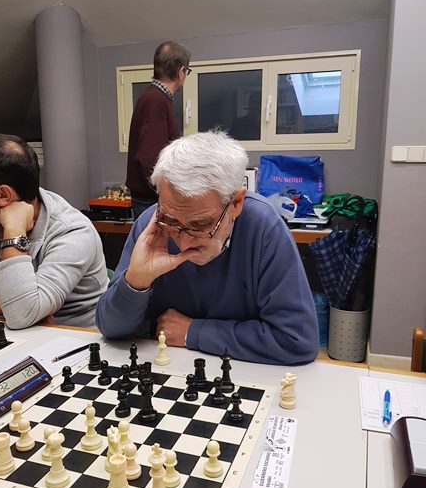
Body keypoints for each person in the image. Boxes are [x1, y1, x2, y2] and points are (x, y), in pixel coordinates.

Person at [96, 131, 318, 365]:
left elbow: (297, 340)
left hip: (240, 372)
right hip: (166, 368)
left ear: (236, 203)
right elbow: (110, 329)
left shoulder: (264, 228)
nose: (184, 243)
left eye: (200, 225)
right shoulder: (151, 227)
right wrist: (137, 281)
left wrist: (193, 332)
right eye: (172, 220)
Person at [0, 133, 108, 329]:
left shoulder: (73, 232)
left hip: (77, 340)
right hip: (16, 334)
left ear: (3, 195)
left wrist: (14, 231)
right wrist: (2, 304)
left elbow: (21, 314)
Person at [126, 40, 191, 219]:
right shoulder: (155, 101)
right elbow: (149, 158)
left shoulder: (155, 97)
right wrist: (169, 193)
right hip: (151, 201)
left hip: (151, 198)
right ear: (181, 71)